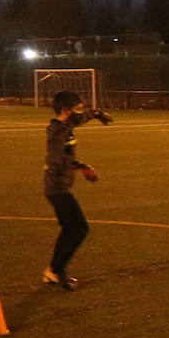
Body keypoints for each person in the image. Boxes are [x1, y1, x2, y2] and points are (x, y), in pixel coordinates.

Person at [43, 91, 111, 290]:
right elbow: (55, 158)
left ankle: (54, 271)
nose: (80, 113)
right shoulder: (57, 132)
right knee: (79, 229)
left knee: (71, 229)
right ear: (65, 111)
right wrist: (81, 166)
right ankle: (55, 270)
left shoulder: (66, 124)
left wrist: (97, 114)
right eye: (77, 109)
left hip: (60, 187)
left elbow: (81, 119)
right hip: (56, 188)